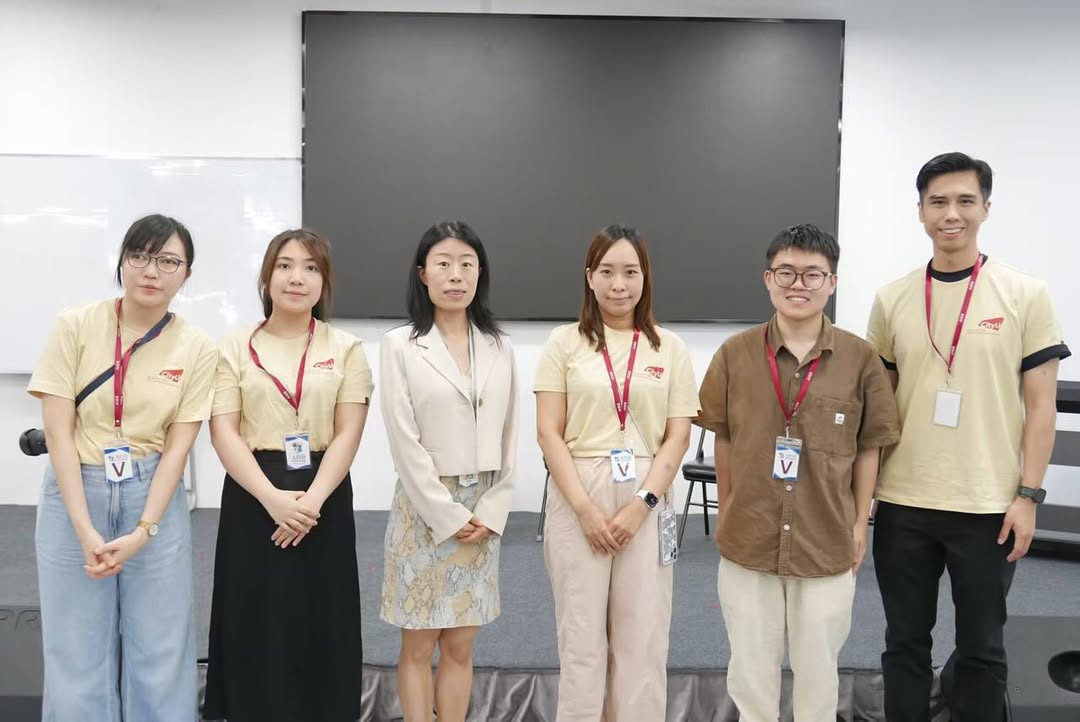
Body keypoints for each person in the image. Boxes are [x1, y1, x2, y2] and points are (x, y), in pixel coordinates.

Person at [867, 152, 1071, 722]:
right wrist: (866, 497)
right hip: (904, 502)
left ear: (985, 208)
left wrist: (1028, 496)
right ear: (920, 211)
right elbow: (878, 411)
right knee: (903, 644)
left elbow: (1042, 408)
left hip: (989, 506)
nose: (950, 213)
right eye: (938, 202)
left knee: (982, 649)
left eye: (964, 201)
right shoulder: (892, 298)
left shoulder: (1024, 294)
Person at [696, 223, 900, 721]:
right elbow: (724, 437)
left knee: (819, 674)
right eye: (786, 272)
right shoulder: (735, 354)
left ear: (832, 282)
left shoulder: (860, 359)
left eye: (813, 274)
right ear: (768, 278)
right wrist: (728, 509)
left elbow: (869, 447)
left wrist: (859, 524)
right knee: (750, 673)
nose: (798, 284)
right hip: (749, 539)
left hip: (825, 541)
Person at [28, 214, 216, 721]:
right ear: (122, 261)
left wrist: (144, 529)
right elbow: (59, 435)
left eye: (168, 261)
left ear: (187, 273)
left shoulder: (197, 346)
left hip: (152, 494)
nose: (151, 271)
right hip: (76, 490)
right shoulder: (75, 325)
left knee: (160, 647)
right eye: (140, 256)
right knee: (75, 647)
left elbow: (178, 449)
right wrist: (84, 528)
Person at [203, 229, 372, 722]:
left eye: (311, 268)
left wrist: (310, 502)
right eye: (285, 265)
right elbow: (224, 432)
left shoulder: (347, 348)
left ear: (324, 281)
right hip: (253, 495)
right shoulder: (233, 347)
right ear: (266, 276)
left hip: (324, 495)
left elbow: (348, 433)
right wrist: (272, 499)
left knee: (323, 617)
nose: (297, 277)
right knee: (253, 616)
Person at [534, 224, 699, 721]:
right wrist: (584, 510)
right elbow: (548, 433)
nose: (619, 284)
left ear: (645, 277)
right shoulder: (564, 343)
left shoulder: (669, 347)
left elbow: (677, 438)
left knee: (642, 637)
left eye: (630, 272)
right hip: (578, 490)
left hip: (648, 494)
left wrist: (642, 506)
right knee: (581, 637)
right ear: (589, 276)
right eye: (607, 272)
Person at [379, 221, 518, 722]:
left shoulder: (500, 345)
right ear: (423, 273)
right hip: (423, 512)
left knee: (460, 645)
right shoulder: (400, 345)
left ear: (480, 273)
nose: (455, 275)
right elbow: (403, 441)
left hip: (482, 513)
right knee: (418, 645)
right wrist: (447, 514)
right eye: (443, 263)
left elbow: (509, 436)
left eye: (466, 264)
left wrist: (492, 509)